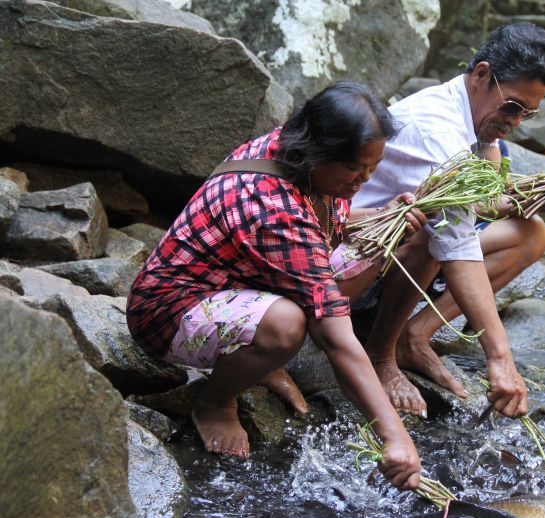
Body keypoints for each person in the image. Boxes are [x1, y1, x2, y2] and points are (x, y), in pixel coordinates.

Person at [126, 81, 426, 490]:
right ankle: (214, 400)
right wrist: (394, 435)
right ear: (320, 152)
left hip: (241, 280)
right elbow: (335, 332)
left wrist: (382, 213)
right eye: (357, 170)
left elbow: (321, 223)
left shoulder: (298, 154)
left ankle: (258, 360)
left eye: (373, 169)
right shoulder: (271, 205)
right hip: (169, 311)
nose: (364, 180)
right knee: (286, 325)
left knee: (373, 244)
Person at [333, 23, 545, 419]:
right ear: (482, 74)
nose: (516, 121)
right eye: (513, 107)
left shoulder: (477, 117)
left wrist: (538, 195)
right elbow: (456, 241)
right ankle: (381, 355)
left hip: (397, 257)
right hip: (348, 262)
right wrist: (500, 356)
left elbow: (486, 200)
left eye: (528, 113)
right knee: (432, 231)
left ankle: (415, 336)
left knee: (531, 234)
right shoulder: (436, 132)